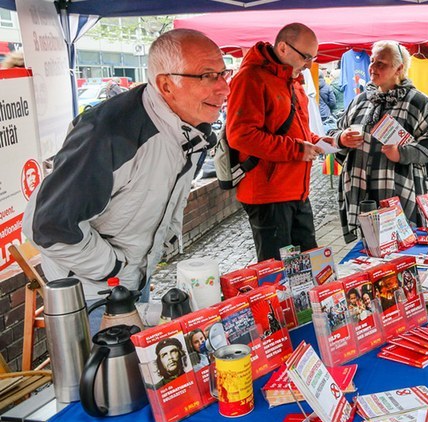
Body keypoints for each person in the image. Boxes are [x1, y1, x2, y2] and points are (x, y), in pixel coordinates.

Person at [22, 30, 228, 313]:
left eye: (223, 73)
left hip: (133, 280)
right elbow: (48, 226)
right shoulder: (108, 134)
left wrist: (156, 248)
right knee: (106, 359)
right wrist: (115, 267)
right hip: (92, 295)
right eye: (208, 76)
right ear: (166, 85)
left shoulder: (188, 129)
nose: (224, 88)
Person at [226, 23, 328, 261]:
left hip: (297, 191)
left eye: (312, 58)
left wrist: (321, 141)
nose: (309, 64)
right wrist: (297, 149)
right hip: (268, 194)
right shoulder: (251, 78)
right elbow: (241, 135)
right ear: (283, 48)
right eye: (305, 57)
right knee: (278, 270)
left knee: (309, 263)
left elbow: (298, 134)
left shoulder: (291, 79)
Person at [333, 40, 428, 242]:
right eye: (372, 61)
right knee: (367, 246)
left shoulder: (417, 102)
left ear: (399, 68)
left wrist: (402, 153)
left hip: (400, 190)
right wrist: (342, 140)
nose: (373, 68)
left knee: (402, 247)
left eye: (381, 64)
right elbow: (338, 131)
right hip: (362, 190)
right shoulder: (360, 100)